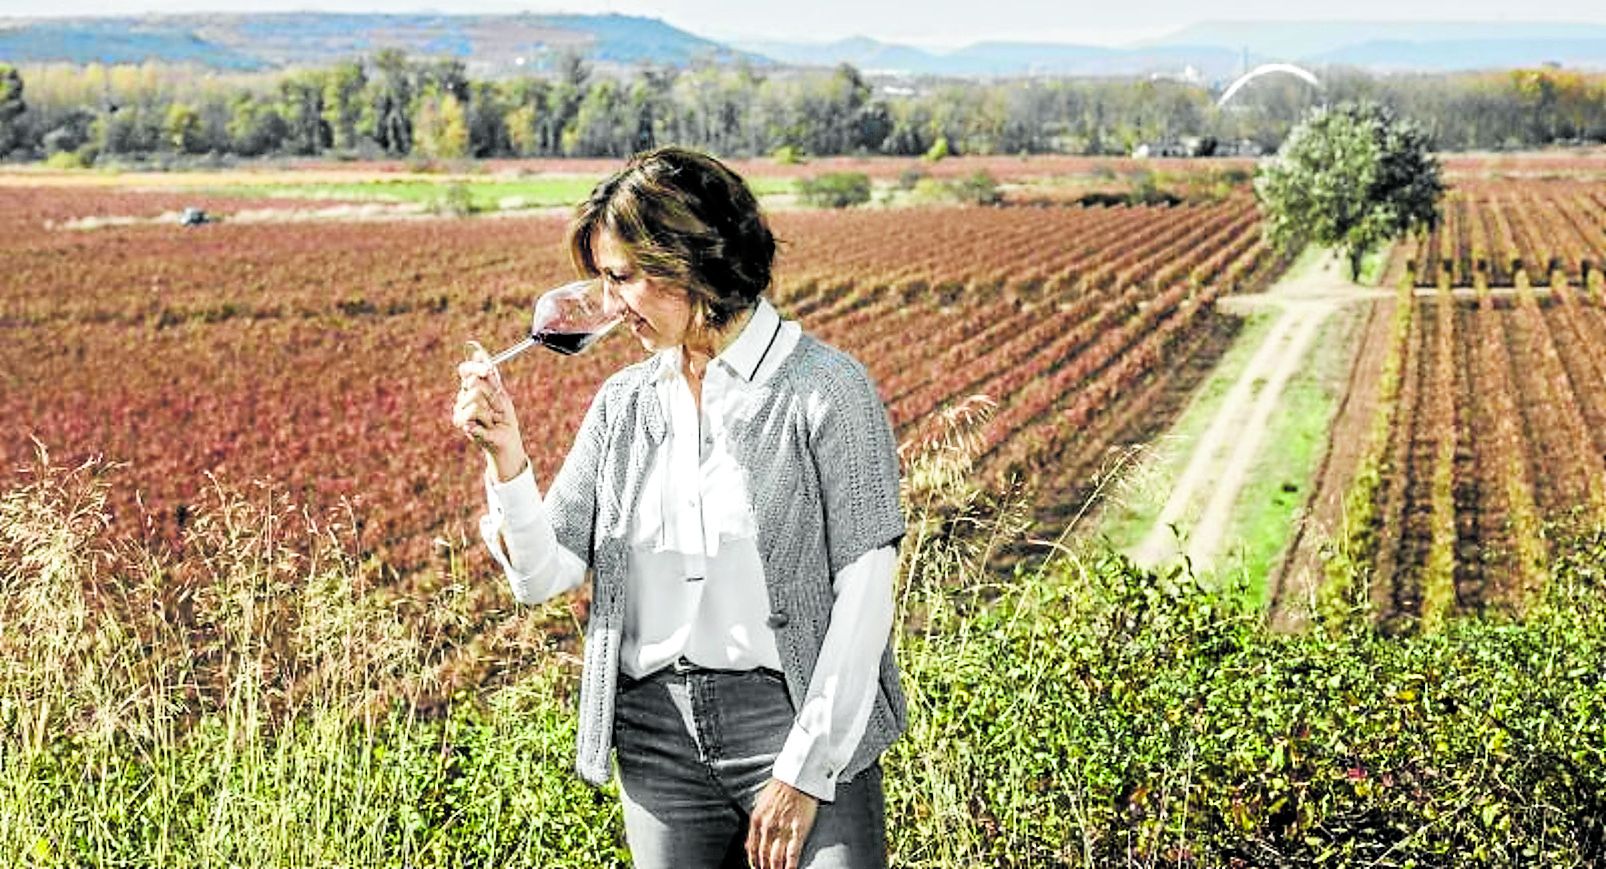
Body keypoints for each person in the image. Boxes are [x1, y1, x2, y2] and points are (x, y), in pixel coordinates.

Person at [451, 145, 906, 869]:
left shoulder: (825, 390)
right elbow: (543, 575)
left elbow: (866, 592)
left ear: (691, 258)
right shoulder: (625, 403)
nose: (608, 305)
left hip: (796, 721)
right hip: (656, 739)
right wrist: (505, 455)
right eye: (601, 280)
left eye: (622, 277)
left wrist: (805, 769)